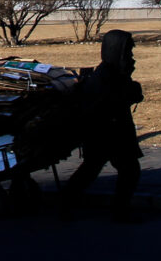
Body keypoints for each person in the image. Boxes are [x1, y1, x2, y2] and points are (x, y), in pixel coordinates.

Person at [62, 29, 144, 222]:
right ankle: (119, 212)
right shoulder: (105, 76)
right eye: (128, 51)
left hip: (109, 132)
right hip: (106, 133)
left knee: (95, 169)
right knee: (126, 170)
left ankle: (66, 203)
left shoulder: (113, 72)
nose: (131, 56)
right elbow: (118, 98)